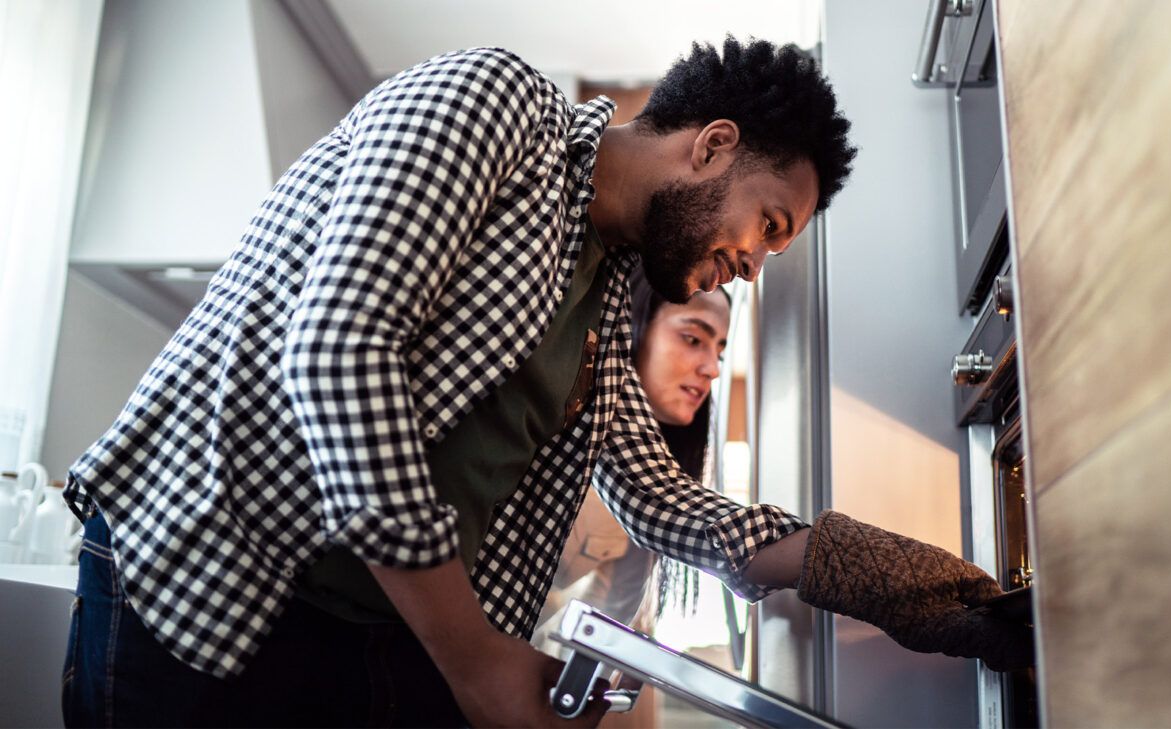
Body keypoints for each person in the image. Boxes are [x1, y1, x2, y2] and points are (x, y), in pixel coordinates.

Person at [62, 38, 1031, 728]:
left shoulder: (614, 296)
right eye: (768, 226)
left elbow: (660, 501)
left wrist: (873, 576)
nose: (753, 265)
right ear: (714, 145)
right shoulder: (495, 107)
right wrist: (477, 663)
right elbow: (338, 351)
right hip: (212, 589)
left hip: (367, 629)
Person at [534, 268, 729, 644]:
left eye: (719, 348)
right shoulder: (553, 419)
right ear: (633, 325)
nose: (713, 368)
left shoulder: (658, 489)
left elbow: (600, 627)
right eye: (693, 339)